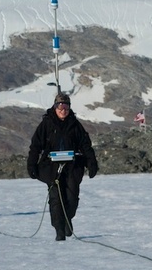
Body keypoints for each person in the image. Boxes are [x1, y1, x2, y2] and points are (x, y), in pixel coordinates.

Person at [27, 93, 99, 241]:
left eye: (66, 107)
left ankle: (67, 219)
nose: (63, 110)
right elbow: (35, 146)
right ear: (55, 107)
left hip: (72, 167)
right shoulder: (46, 124)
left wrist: (91, 162)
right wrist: (31, 164)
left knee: (71, 199)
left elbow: (85, 145)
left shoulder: (75, 125)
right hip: (51, 168)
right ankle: (59, 230)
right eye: (60, 106)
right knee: (56, 200)